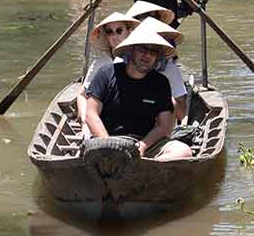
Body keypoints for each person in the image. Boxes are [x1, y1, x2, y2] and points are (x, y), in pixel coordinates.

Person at [78, 23, 192, 159]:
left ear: (157, 57)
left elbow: (164, 126)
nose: (147, 55)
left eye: (153, 51)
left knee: (183, 152)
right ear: (131, 50)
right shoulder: (106, 74)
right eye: (143, 49)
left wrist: (142, 147)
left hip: (144, 143)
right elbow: (91, 115)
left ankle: (147, 169)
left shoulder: (161, 83)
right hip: (105, 141)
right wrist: (109, 146)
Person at [82, 11, 140, 84]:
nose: (114, 36)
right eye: (109, 32)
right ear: (106, 36)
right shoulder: (100, 63)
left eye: (119, 30)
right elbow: (83, 94)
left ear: (129, 31)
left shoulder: (141, 59)